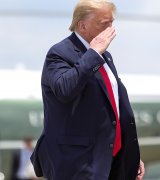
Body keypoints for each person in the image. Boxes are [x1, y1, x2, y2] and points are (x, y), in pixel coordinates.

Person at [30, 0, 145, 179]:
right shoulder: (59, 53)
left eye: (112, 23)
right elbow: (65, 89)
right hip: (77, 164)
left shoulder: (106, 57)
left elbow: (113, 108)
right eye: (103, 24)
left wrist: (129, 154)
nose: (110, 30)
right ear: (82, 25)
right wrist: (93, 54)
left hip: (110, 161)